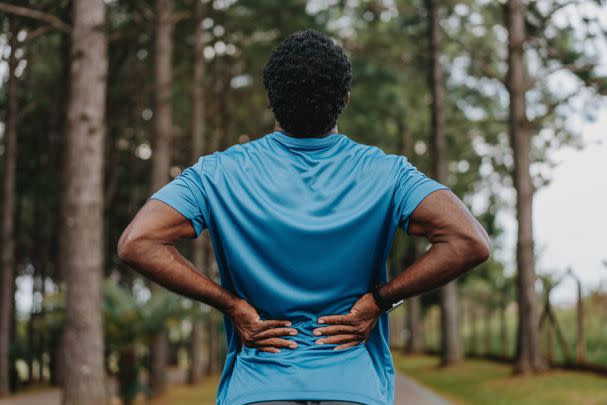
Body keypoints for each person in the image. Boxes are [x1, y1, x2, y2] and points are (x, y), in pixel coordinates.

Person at [117, 29, 491, 405]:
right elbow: (468, 240)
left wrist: (232, 305)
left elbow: (138, 242)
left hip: (257, 388)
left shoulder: (218, 173)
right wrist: (380, 300)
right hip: (354, 389)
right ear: (344, 99)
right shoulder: (387, 173)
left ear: (272, 99)